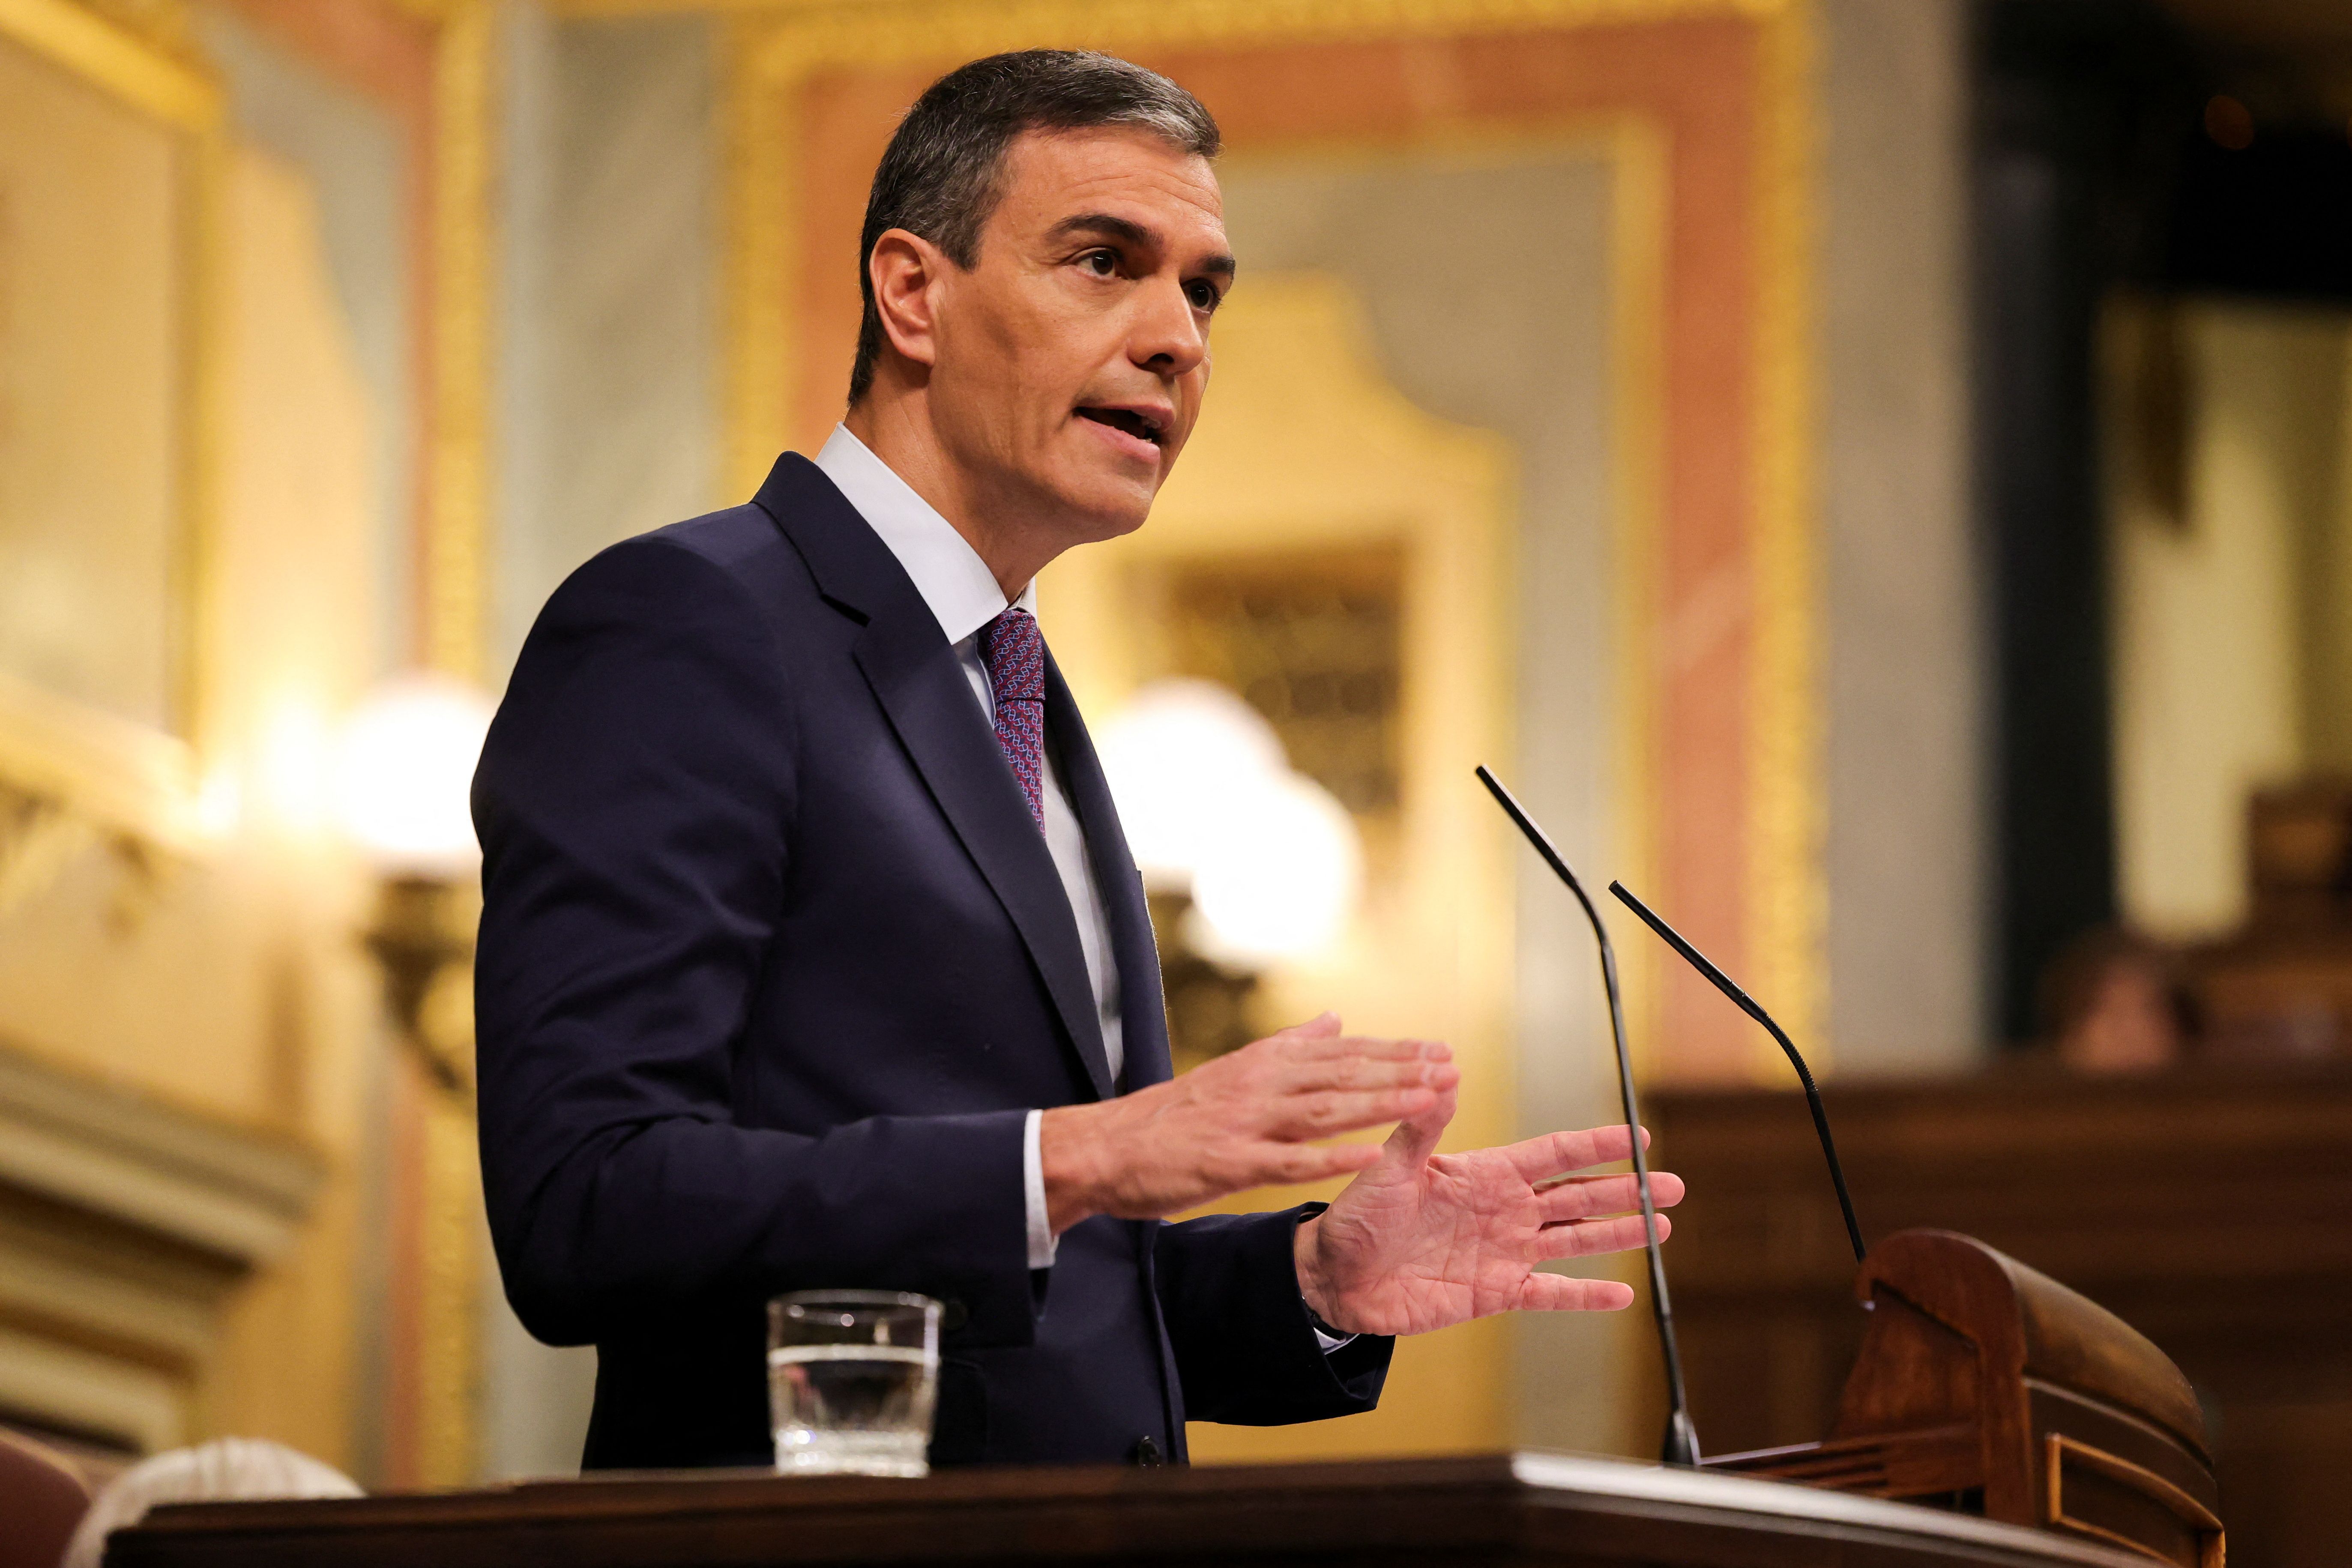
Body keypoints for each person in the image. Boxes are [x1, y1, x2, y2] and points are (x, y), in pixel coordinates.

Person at [473, 49, 1685, 1471]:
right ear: (911, 294)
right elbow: (585, 1202)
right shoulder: (693, 623)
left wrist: (1311, 1279)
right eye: (1104, 262)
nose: (1176, 335)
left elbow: (1043, 1301)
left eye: (1202, 288)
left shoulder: (1024, 693)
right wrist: (1086, 1152)